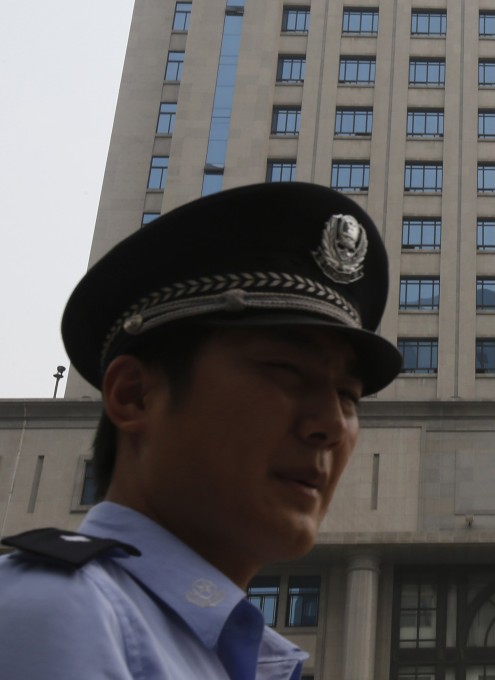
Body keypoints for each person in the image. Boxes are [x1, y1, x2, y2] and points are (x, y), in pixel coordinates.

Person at [0, 183, 402, 679]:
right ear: (134, 395)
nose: (332, 425)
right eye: (285, 371)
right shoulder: (52, 616)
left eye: (348, 396)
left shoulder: (242, 657)